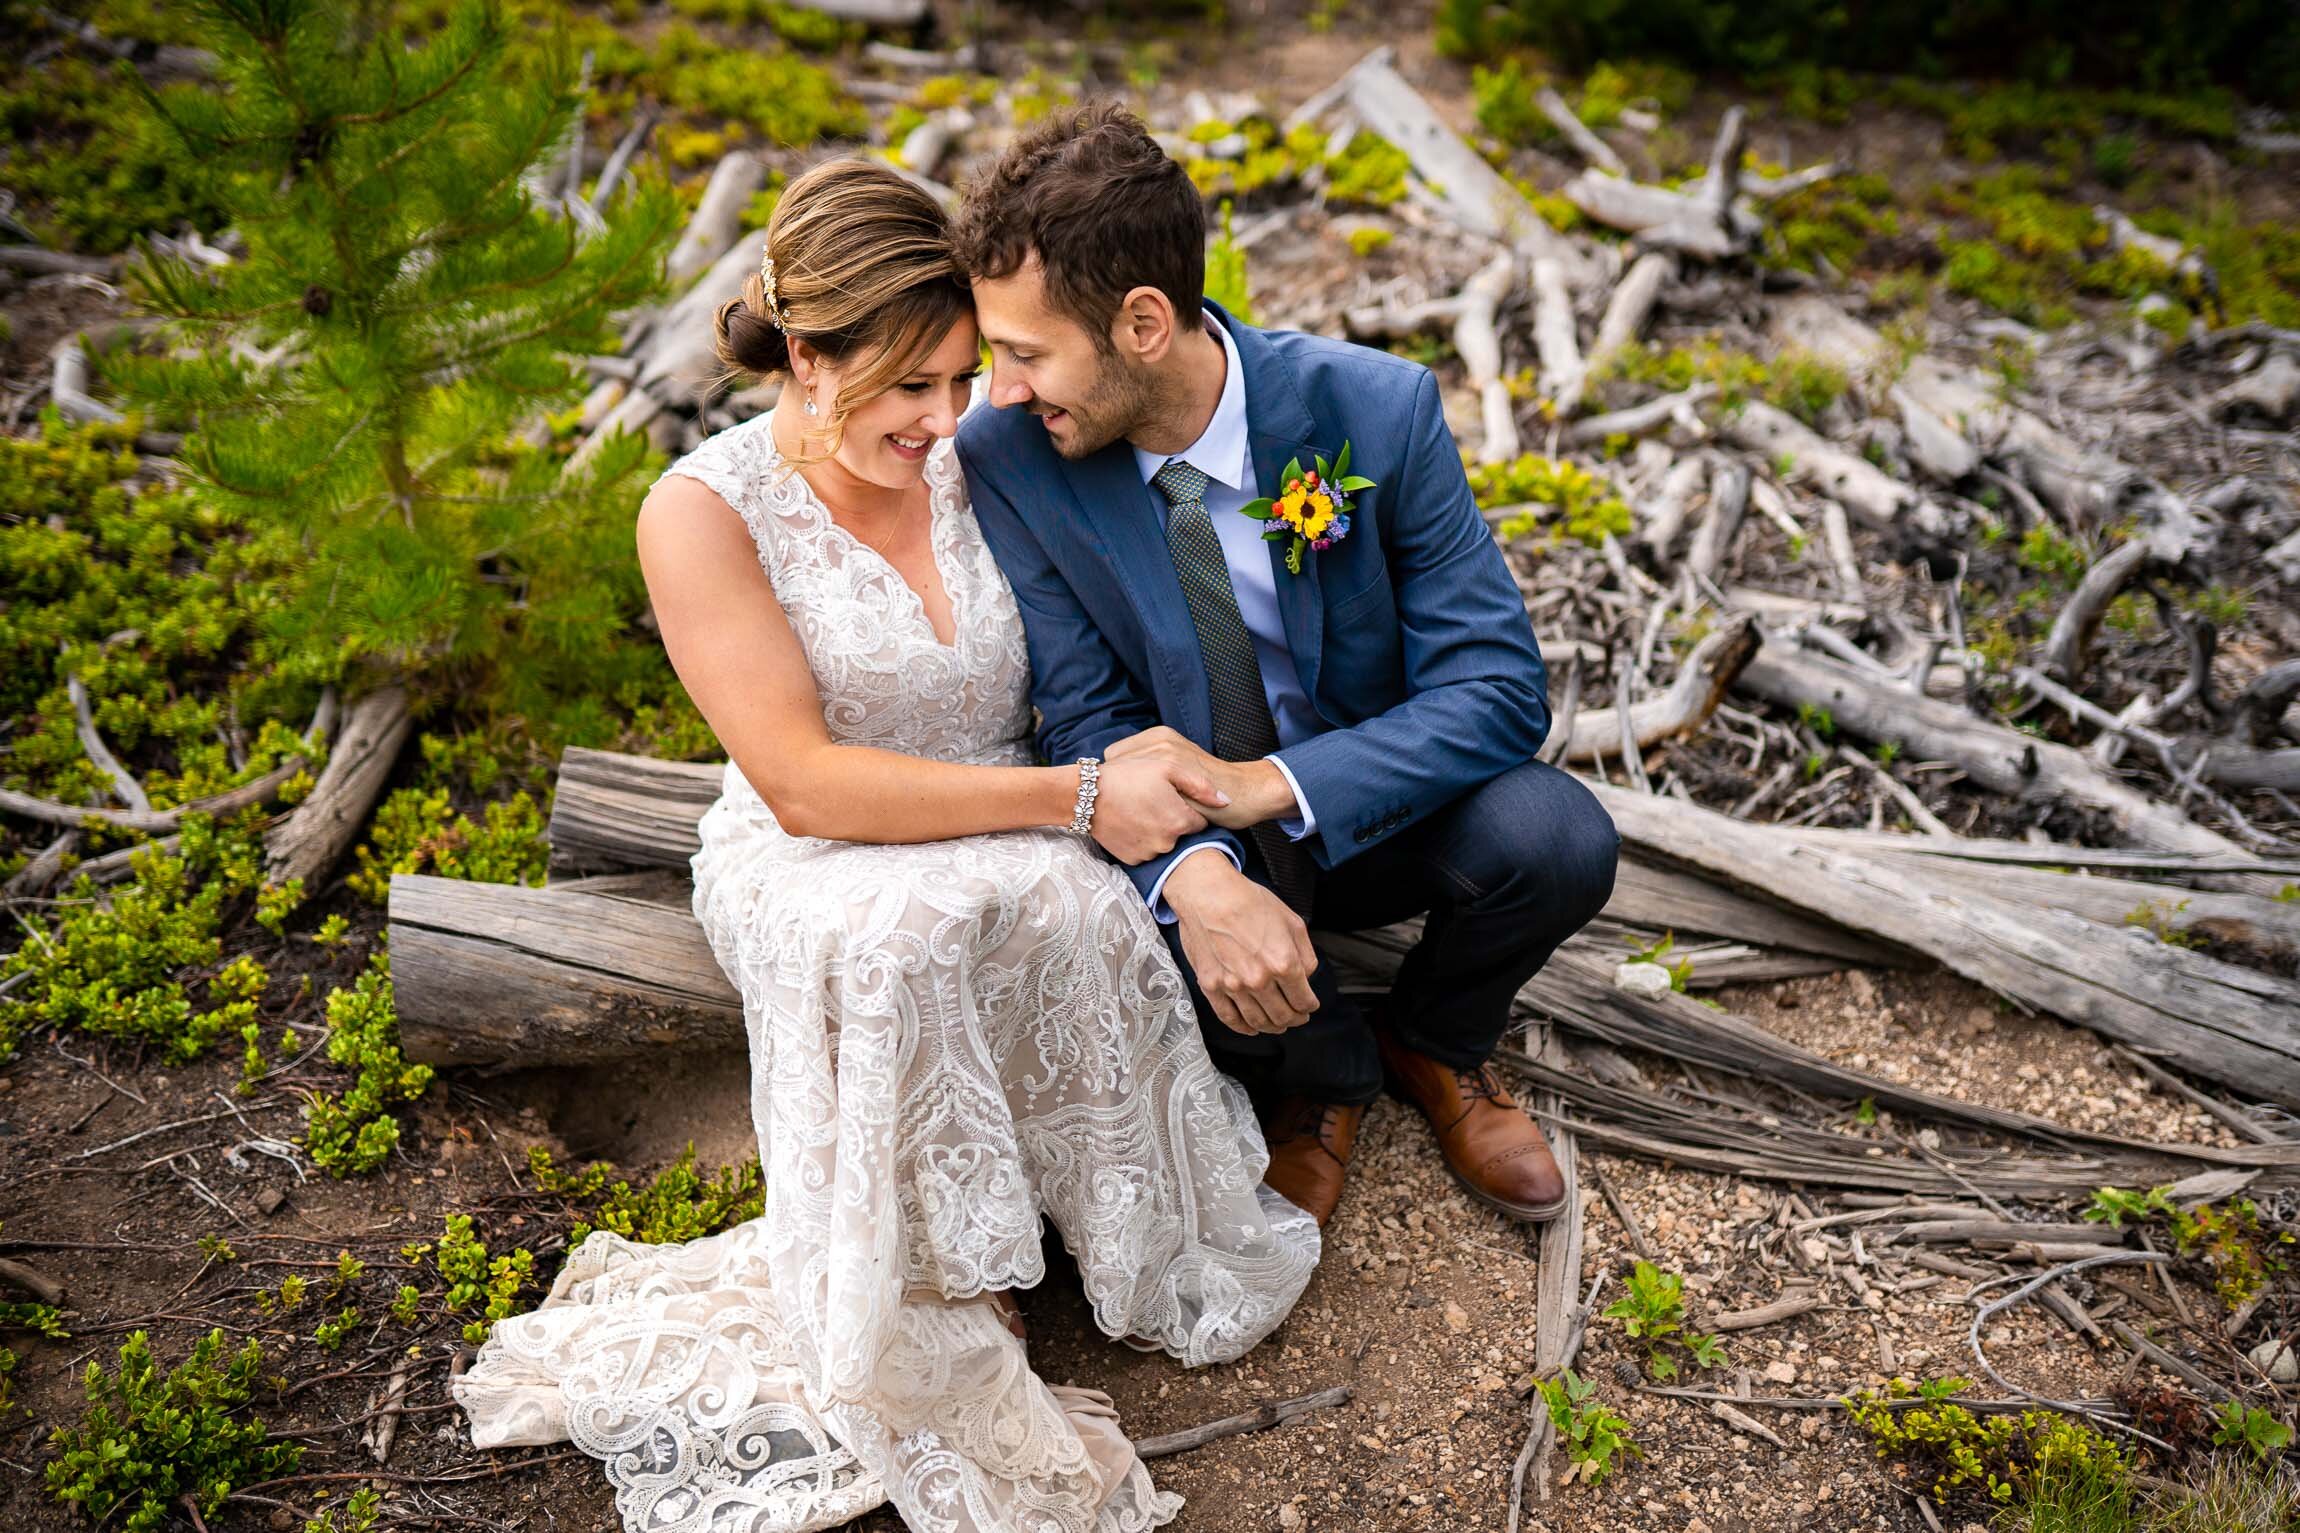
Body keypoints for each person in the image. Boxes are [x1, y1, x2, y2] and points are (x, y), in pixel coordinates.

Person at [450, 157, 1318, 1533]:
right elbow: (799, 780)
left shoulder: (989, 459)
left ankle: (1083, 1226)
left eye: (966, 379)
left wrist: (1132, 785)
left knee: (1079, 914)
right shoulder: (702, 507)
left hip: (1011, 798)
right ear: (806, 354)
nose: (948, 418)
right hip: (820, 851)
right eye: (912, 386)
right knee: (902, 938)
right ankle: (939, 1293)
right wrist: (1080, 798)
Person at [953, 103, 1620, 1233]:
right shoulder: (1010, 454)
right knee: (1133, 941)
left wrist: (1275, 788)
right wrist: (1200, 875)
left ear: (1143, 324)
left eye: (1024, 353)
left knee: (1556, 841)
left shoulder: (1373, 409)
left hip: (1371, 806)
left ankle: (1436, 1040)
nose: (1002, 386)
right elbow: (1082, 707)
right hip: (1181, 821)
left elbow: (1499, 686)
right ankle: (1324, 1075)